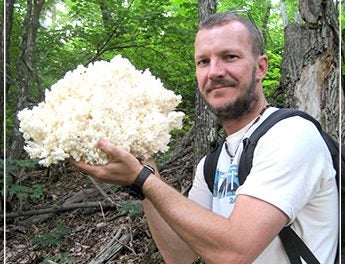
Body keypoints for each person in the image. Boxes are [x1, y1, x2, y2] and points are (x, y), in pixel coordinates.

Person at [69, 12, 338, 263]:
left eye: (230, 57)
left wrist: (142, 179)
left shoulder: (291, 136)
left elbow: (235, 251)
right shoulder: (211, 164)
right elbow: (180, 254)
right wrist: (145, 170)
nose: (215, 72)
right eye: (203, 61)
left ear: (261, 67)